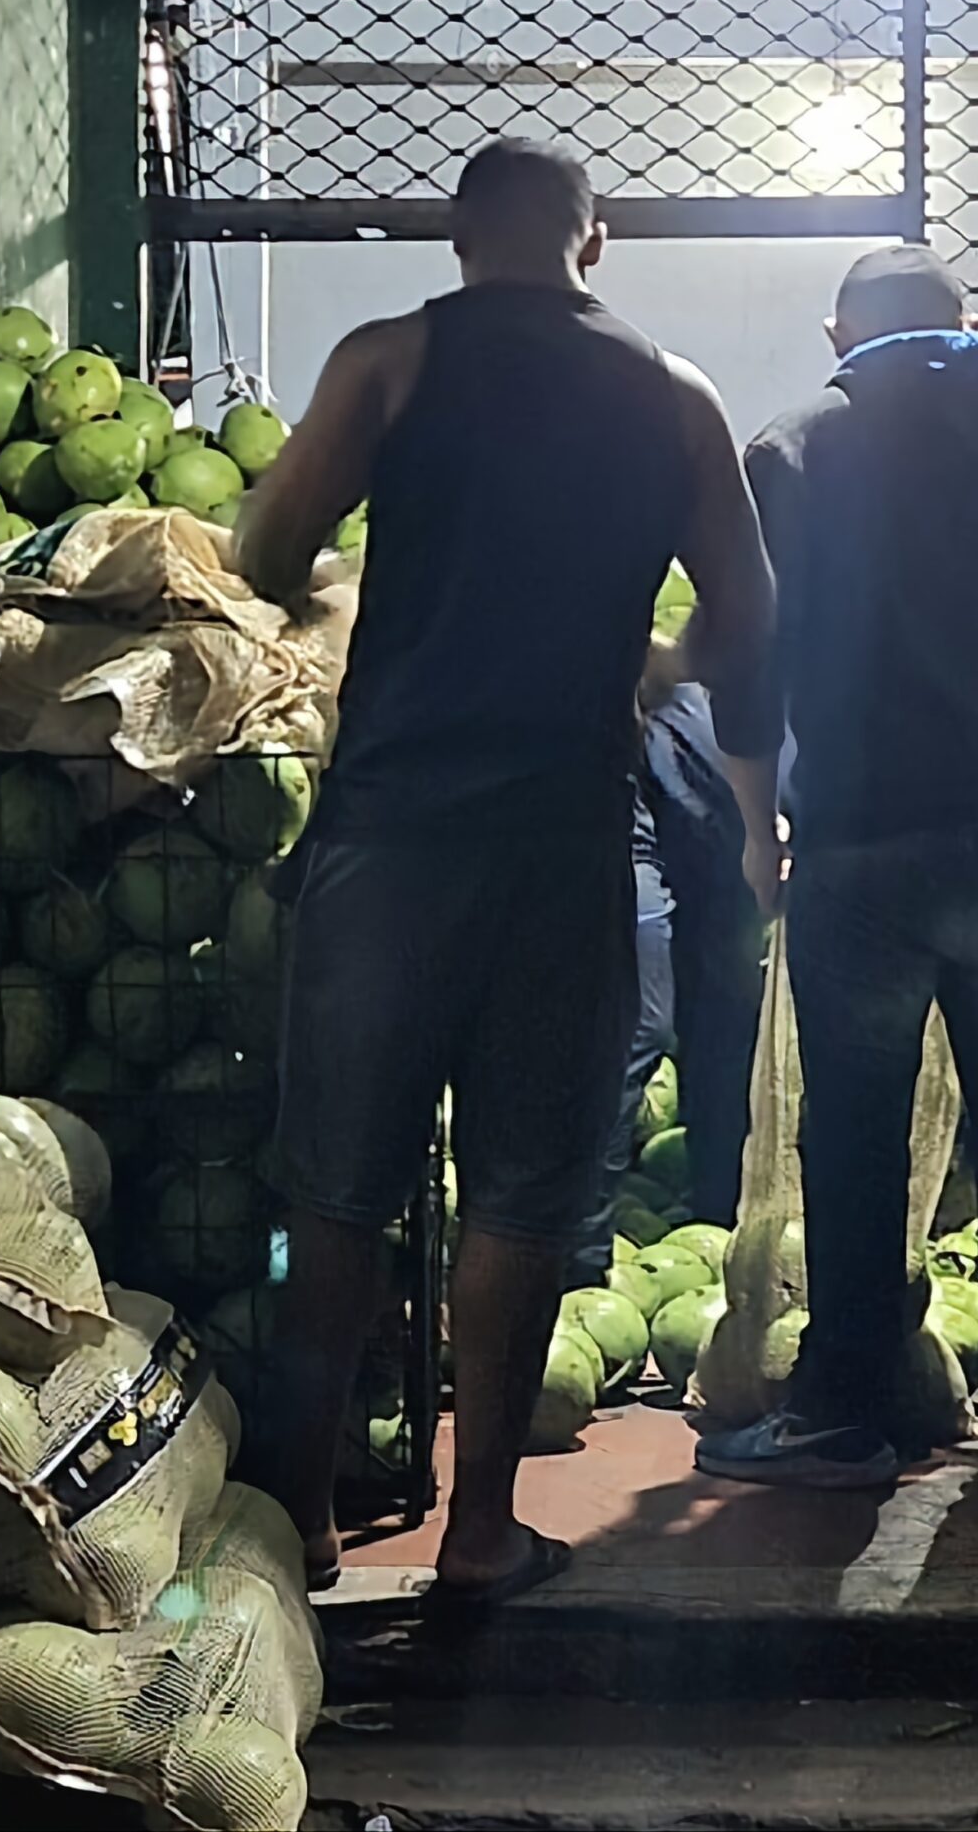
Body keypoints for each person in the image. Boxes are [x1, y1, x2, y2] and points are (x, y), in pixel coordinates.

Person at [232, 137, 784, 1605]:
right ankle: (480, 1531)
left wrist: (343, 589)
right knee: (520, 1197)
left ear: (456, 238)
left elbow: (266, 546)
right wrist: (654, 660)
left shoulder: (387, 362)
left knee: (336, 1192)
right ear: (593, 245)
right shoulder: (675, 400)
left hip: (391, 832)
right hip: (563, 840)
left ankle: (299, 1511)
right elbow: (747, 624)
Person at [696, 245, 978, 1491]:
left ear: (840, 333)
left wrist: (754, 824)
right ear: (964, 325)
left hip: (858, 841)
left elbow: (749, 662)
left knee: (852, 1125)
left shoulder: (792, 453)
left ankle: (837, 1410)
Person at [572, 684, 776, 1287]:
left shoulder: (812, 716)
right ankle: (576, 1257)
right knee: (640, 1021)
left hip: (721, 847)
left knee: (728, 1020)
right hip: (626, 820)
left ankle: (721, 1217)